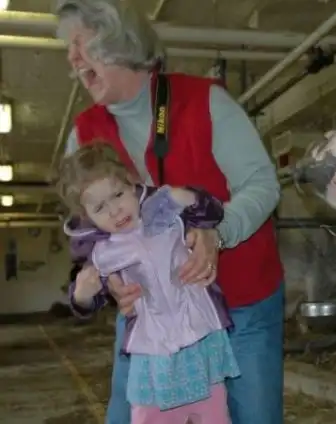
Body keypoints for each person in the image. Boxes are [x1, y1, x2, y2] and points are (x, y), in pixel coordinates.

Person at [55, 1, 284, 423]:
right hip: (150, 317)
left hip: (242, 303)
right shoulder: (83, 136)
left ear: (120, 43)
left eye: (79, 44)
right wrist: (111, 281)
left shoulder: (205, 101)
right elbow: (89, 235)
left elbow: (263, 185)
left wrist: (219, 232)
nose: (71, 58)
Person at [58, 142, 239, 424]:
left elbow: (213, 212)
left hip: (198, 334)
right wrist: (82, 295)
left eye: (118, 194)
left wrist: (189, 197)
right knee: (149, 416)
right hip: (153, 349)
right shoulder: (104, 252)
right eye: (100, 207)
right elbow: (90, 301)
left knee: (213, 414)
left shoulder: (165, 211)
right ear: (87, 217)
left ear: (132, 184)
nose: (115, 211)